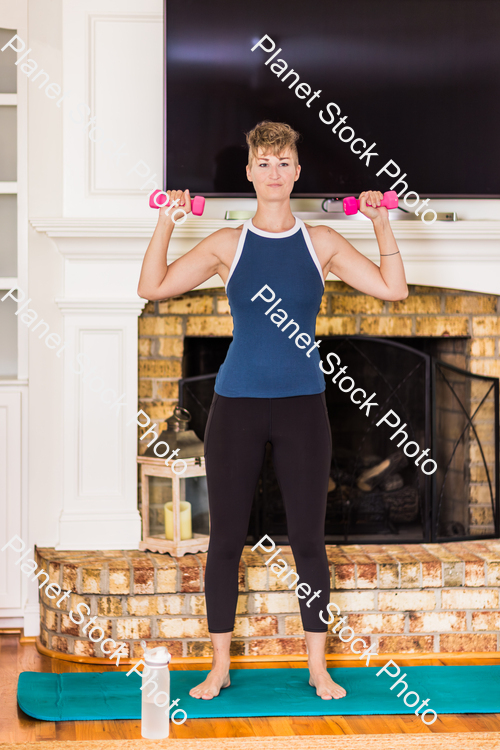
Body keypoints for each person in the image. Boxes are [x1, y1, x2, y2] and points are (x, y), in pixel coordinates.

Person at [137, 121, 408, 702]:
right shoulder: (227, 244)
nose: (275, 172)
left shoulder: (322, 242)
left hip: (302, 407)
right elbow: (152, 286)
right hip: (235, 406)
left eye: (284, 161)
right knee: (225, 540)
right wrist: (167, 221)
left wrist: (382, 225)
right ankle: (218, 666)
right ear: (249, 172)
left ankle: (318, 667)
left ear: (298, 170)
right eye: (264, 162)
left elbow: (394, 290)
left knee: (308, 539)